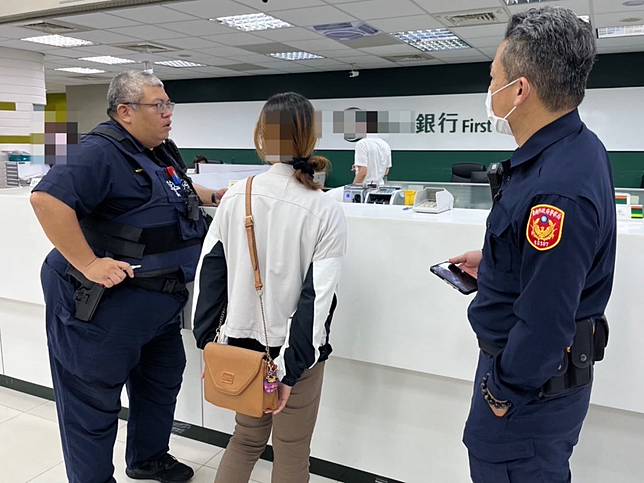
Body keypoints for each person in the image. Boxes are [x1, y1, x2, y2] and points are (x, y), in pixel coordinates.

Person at [30, 70, 222, 483]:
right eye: (160, 105)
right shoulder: (97, 152)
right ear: (126, 112)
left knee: (162, 380)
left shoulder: (158, 150)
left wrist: (212, 196)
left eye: (169, 104)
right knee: (91, 401)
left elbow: (177, 190)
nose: (169, 113)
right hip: (104, 305)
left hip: (159, 303)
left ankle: (148, 459)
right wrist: (87, 263)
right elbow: (46, 199)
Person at [450, 7, 616, 482]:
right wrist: (497, 262)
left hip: (526, 396)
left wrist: (502, 393)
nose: (490, 89)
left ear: (518, 90)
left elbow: (547, 319)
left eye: (493, 77)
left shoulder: (556, 190)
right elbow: (554, 267)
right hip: (532, 386)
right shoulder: (577, 150)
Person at [193, 92, 347, 482]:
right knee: (293, 451)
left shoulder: (235, 197)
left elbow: (209, 276)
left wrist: (209, 345)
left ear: (261, 135)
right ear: (310, 137)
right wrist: (291, 370)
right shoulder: (324, 207)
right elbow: (318, 295)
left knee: (245, 440)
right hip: (294, 350)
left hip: (240, 346)